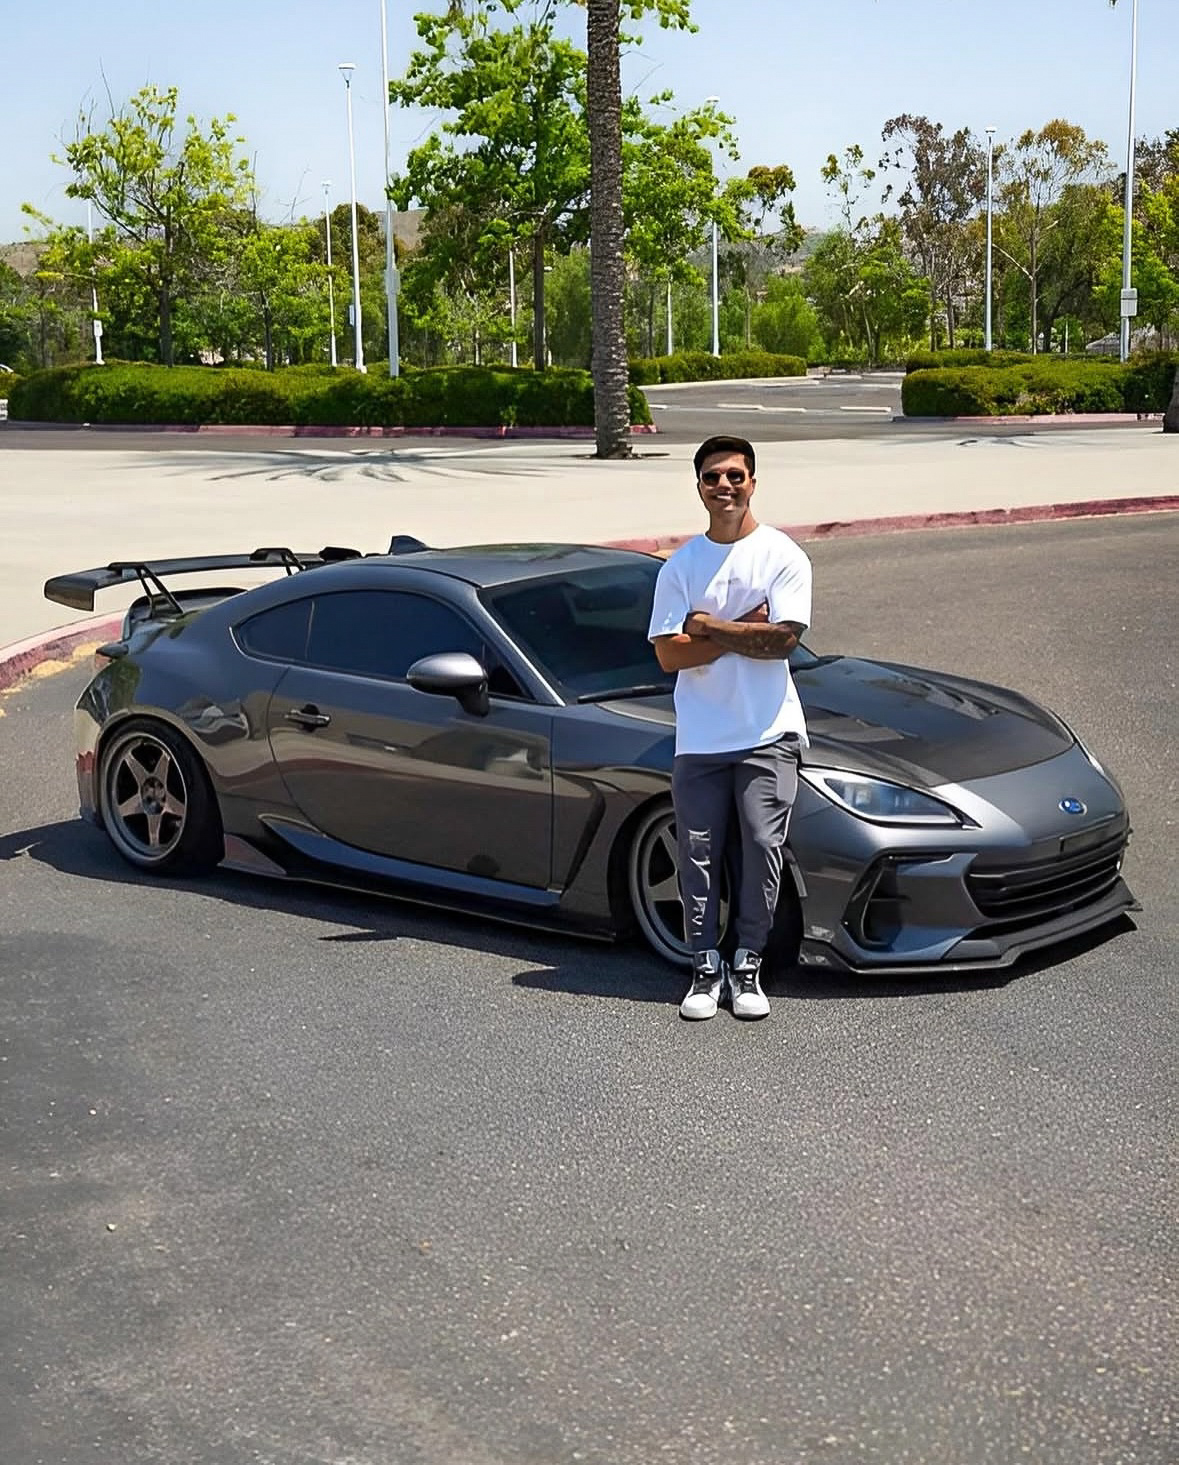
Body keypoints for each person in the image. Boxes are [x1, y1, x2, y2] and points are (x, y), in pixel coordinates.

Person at [647, 434, 812, 1021]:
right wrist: (743, 628)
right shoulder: (681, 566)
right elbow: (669, 656)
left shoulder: (783, 556)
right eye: (713, 477)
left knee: (763, 846)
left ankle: (747, 964)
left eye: (735, 476)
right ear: (699, 488)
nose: (724, 486)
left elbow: (782, 641)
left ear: (752, 483)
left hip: (769, 733)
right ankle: (704, 968)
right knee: (698, 853)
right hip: (701, 739)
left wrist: (709, 626)